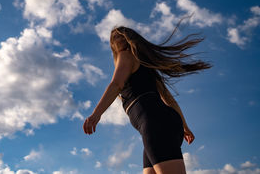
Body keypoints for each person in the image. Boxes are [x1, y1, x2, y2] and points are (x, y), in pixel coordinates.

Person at [83, 21, 211, 174]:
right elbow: (169, 100)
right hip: (160, 124)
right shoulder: (147, 65)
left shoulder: (126, 54)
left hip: (156, 124)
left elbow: (116, 84)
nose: (117, 41)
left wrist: (96, 114)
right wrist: (184, 126)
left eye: (117, 38)